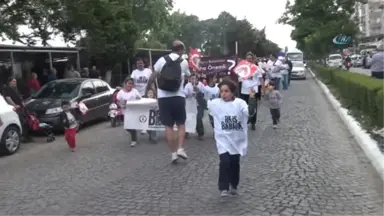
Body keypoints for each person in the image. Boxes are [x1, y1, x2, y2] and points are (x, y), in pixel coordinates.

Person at [149, 40, 190, 163]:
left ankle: (173, 154)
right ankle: (180, 149)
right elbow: (188, 75)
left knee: (168, 126)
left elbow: (153, 75)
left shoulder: (162, 60)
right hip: (178, 97)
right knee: (181, 124)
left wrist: (148, 88)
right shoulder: (184, 62)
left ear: (171, 49)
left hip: (163, 98)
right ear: (181, 50)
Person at [207, 79, 248, 199]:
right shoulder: (215, 103)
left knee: (234, 163)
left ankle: (234, 184)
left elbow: (246, 112)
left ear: (232, 92)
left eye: (226, 91)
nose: (223, 94)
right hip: (222, 140)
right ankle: (223, 187)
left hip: (236, 140)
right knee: (225, 161)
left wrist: (250, 101)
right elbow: (208, 108)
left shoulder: (240, 103)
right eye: (221, 91)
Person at [239, 52, 263, 130]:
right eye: (247, 58)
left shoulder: (256, 68)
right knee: (244, 107)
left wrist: (262, 89)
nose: (249, 60)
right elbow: (239, 79)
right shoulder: (242, 68)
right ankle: (245, 121)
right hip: (244, 91)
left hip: (253, 91)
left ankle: (253, 122)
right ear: (245, 59)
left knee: (253, 107)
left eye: (250, 58)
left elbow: (260, 78)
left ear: (252, 59)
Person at [116, 78, 142, 147]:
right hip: (125, 112)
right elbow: (118, 101)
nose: (130, 85)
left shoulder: (135, 91)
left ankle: (134, 140)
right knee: (127, 127)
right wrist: (121, 105)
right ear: (125, 84)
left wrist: (137, 100)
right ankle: (134, 133)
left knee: (131, 125)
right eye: (129, 83)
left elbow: (140, 99)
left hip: (134, 111)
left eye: (132, 83)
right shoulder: (121, 92)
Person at [131, 58, 153, 135]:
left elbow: (152, 80)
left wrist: (152, 91)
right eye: (138, 63)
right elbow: (131, 81)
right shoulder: (134, 72)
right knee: (140, 110)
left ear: (144, 64)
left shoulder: (148, 71)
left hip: (146, 93)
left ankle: (145, 128)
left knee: (146, 110)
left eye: (141, 63)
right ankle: (141, 125)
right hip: (137, 94)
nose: (140, 65)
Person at [184, 74, 205, 139]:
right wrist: (189, 94)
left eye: (195, 79)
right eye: (192, 79)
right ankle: (186, 132)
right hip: (190, 104)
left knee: (198, 119)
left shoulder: (200, 84)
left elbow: (204, 93)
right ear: (190, 79)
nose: (193, 80)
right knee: (189, 118)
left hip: (198, 105)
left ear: (197, 79)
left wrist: (198, 91)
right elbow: (185, 94)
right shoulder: (188, 85)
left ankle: (200, 134)